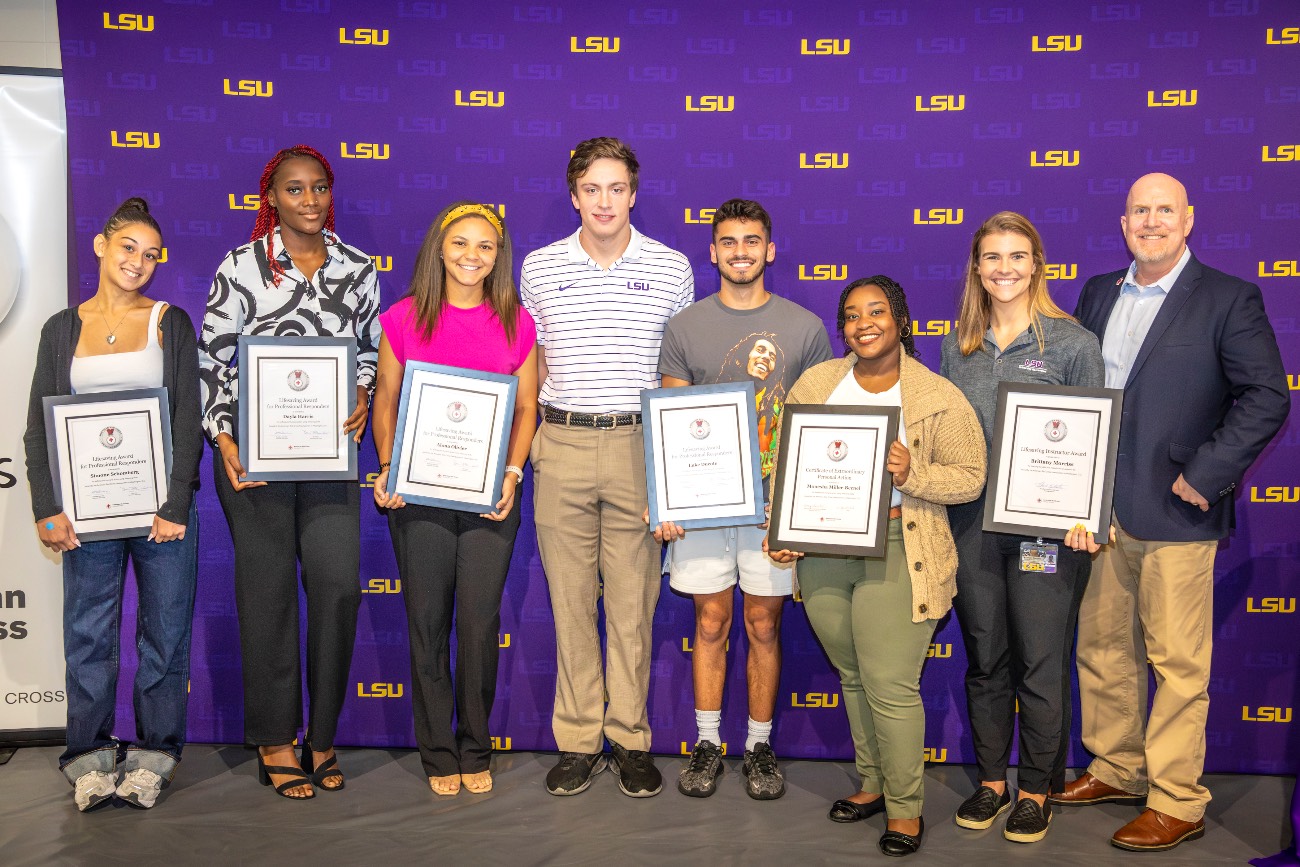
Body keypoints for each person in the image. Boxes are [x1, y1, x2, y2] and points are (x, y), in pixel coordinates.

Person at [1049, 173, 1288, 852]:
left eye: (1164, 210)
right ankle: (1118, 766)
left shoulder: (1227, 297)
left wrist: (1206, 474)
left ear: (1188, 220)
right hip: (1099, 512)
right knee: (1102, 648)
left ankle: (1178, 799)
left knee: (1178, 662)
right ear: (1123, 225)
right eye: (1139, 212)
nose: (1151, 221)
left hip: (1177, 512)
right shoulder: (1098, 291)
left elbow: (1267, 396)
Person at [767, 276, 985, 857]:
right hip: (822, 553)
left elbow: (971, 475)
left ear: (900, 318)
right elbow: (786, 464)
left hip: (899, 545)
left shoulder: (935, 394)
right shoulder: (816, 384)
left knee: (890, 684)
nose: (864, 323)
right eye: (852, 314)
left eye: (877, 311)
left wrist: (914, 473)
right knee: (854, 674)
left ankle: (906, 809)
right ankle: (874, 783)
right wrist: (780, 528)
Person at [198, 145, 380, 800]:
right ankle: (276, 739)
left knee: (337, 589)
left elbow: (369, 351)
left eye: (319, 188)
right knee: (267, 596)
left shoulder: (358, 268)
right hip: (254, 460)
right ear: (270, 197)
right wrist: (223, 435)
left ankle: (323, 734)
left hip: (329, 457)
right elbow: (214, 361)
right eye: (294, 189)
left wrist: (361, 387)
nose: (309, 199)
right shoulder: (241, 267)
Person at [520, 137, 694, 798]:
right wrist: (527, 448)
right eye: (591, 188)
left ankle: (629, 736)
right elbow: (529, 366)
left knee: (632, 606)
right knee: (569, 604)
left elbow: (677, 374)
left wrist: (668, 471)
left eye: (616, 188)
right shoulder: (538, 267)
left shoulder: (672, 266)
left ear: (633, 193)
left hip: (636, 447)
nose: (604, 200)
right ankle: (578, 740)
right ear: (574, 195)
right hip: (560, 443)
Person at [24, 197, 202, 811]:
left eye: (151, 255)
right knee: (89, 635)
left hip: (161, 514)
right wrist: (46, 506)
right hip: (87, 513)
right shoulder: (59, 328)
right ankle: (88, 756)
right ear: (101, 246)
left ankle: (156, 755)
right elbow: (37, 429)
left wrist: (176, 504)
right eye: (128, 247)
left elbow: (187, 419)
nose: (138, 262)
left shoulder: (169, 323)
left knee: (165, 637)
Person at [650, 199, 831, 800]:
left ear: (770, 250)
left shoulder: (805, 327)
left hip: (771, 509)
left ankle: (758, 745)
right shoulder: (685, 327)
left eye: (752, 241)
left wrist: (797, 509)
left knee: (762, 623)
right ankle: (707, 742)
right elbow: (671, 423)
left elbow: (815, 426)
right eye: (728, 242)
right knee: (710, 619)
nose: (741, 252)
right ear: (713, 251)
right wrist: (668, 499)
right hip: (704, 506)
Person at [939, 212, 1104, 843]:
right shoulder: (958, 346)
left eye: (1016, 256)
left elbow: (1096, 442)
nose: (1004, 269)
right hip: (974, 527)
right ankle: (991, 782)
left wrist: (1089, 516)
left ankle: (1037, 789)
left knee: (1040, 662)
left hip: (1047, 535)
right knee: (986, 661)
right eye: (991, 257)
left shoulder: (1071, 344)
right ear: (976, 268)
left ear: (1036, 263)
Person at [371, 202, 538, 797]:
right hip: (418, 498)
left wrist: (514, 473)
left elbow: (525, 409)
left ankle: (475, 745)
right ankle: (437, 751)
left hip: (491, 498)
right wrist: (389, 466)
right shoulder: (404, 318)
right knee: (426, 624)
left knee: (478, 624)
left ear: (499, 256)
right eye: (461, 243)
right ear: (439, 249)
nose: (472, 255)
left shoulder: (518, 322)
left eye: (486, 246)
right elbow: (385, 401)